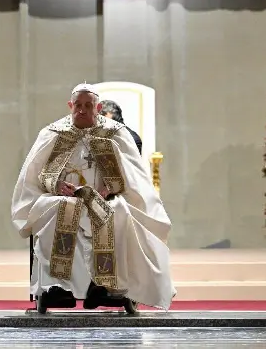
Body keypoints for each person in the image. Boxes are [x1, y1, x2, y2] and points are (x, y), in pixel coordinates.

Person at [11, 83, 175, 310]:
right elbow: (35, 174)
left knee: (118, 213)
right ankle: (58, 288)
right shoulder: (53, 133)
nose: (82, 110)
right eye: (78, 105)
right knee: (55, 211)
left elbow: (133, 175)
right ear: (70, 105)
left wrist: (112, 186)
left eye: (88, 105)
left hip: (105, 198)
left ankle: (107, 287)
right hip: (62, 198)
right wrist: (55, 184)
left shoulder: (116, 132)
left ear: (96, 107)